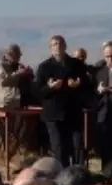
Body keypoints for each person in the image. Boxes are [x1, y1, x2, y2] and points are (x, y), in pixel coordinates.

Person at [34, 35, 88, 167]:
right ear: (50, 48)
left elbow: (88, 86)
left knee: (77, 146)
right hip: (53, 113)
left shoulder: (76, 64)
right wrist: (50, 87)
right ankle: (61, 176)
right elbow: (37, 92)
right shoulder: (44, 67)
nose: (57, 46)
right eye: (54, 44)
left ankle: (79, 175)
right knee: (59, 147)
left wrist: (77, 85)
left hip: (73, 111)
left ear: (65, 46)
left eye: (59, 43)